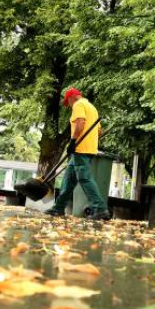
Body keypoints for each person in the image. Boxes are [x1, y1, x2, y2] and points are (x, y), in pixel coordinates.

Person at [45, 88, 110, 219]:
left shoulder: (78, 105)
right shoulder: (92, 107)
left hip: (81, 148)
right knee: (69, 179)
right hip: (89, 148)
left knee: (84, 178)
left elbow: (80, 123)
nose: (68, 105)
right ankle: (58, 208)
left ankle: (100, 209)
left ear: (72, 97)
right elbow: (99, 131)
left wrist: (73, 141)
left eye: (67, 102)